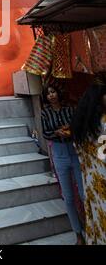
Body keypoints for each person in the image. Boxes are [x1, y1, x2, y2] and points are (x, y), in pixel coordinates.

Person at [41, 85, 85, 245]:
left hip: (74, 152)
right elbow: (45, 132)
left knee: (83, 193)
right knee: (68, 197)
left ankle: (91, 226)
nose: (51, 95)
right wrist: (55, 133)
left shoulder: (69, 109)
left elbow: (77, 127)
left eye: (53, 92)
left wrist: (69, 130)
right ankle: (78, 233)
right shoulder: (45, 112)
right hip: (59, 154)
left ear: (58, 93)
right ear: (45, 97)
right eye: (48, 94)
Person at [71, 82, 106, 245]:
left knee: (97, 224)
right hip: (103, 185)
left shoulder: (81, 128)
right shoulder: (103, 124)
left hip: (91, 186)